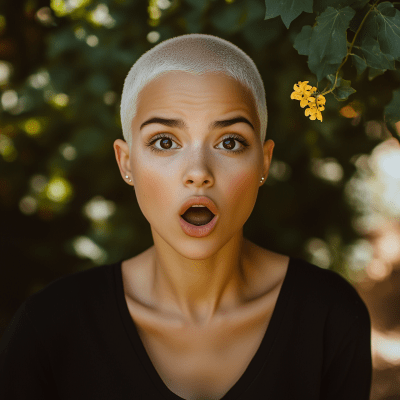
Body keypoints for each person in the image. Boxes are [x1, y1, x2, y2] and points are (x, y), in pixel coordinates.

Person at [0, 33, 372, 400]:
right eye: (165, 142)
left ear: (264, 161)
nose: (198, 171)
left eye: (230, 142)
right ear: (126, 163)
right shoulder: (49, 328)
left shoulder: (330, 318)